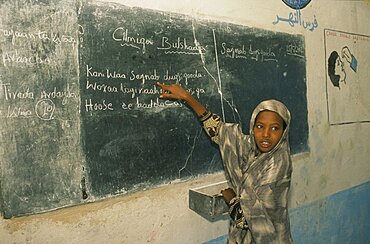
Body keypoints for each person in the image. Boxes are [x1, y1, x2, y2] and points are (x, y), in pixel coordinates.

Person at [156, 82, 293, 244]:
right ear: (252, 127)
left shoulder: (278, 166)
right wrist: (187, 97)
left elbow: (250, 222)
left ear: (284, 131)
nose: (265, 135)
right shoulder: (251, 146)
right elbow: (219, 131)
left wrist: (232, 199)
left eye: (275, 128)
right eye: (260, 126)